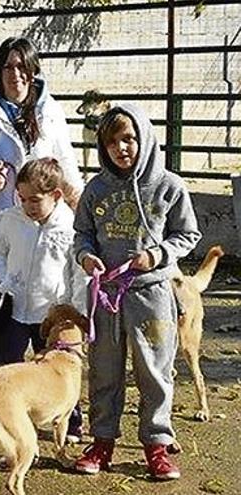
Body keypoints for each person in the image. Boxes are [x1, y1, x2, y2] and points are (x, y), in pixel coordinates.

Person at [72, 104, 200, 480]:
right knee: (104, 370)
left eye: (128, 138)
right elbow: (82, 233)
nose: (121, 148)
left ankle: (157, 445)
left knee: (155, 370)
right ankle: (102, 442)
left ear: (143, 137)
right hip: (107, 295)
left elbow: (187, 234)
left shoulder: (169, 186)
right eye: (111, 142)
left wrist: (158, 255)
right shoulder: (95, 189)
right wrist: (86, 257)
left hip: (152, 295)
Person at [0, 36, 85, 368]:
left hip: (49, 231)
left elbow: (68, 168)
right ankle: (1, 384)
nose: (14, 74)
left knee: (44, 313)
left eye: (21, 67)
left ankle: (42, 387)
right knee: (0, 314)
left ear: (33, 70)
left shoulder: (51, 110)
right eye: (7, 67)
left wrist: (84, 221)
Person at [0, 157, 86, 441]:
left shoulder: (70, 226)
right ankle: (6, 422)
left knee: (61, 372)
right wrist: (2, 280)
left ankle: (71, 421)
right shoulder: (11, 219)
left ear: (56, 195)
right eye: (22, 198)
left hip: (52, 315)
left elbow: (79, 272)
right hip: (16, 309)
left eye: (34, 200)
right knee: (9, 366)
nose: (27, 205)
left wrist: (76, 310)